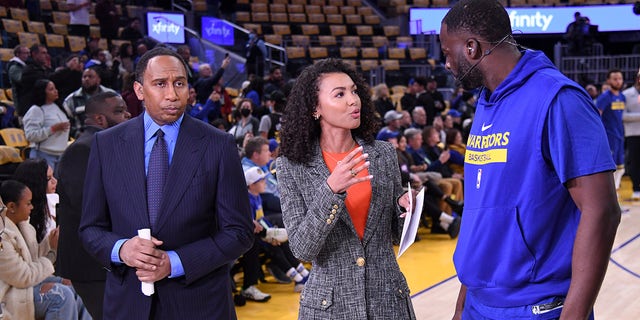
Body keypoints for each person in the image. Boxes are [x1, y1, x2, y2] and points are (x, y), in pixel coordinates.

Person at [439, 0, 621, 319]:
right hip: (479, 304)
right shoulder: (486, 101)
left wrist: (574, 315)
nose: (445, 63)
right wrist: (462, 306)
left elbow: (602, 210)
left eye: (446, 51)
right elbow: (484, 213)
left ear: (471, 48)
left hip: (535, 307)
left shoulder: (559, 100)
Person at [78, 47, 254, 319]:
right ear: (139, 90)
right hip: (128, 305)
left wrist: (174, 263)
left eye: (179, 83)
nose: (172, 94)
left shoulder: (219, 145)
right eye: (160, 84)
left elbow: (239, 232)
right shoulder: (107, 144)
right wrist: (122, 249)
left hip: (200, 305)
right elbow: (90, 228)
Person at [276, 58, 416, 319]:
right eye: (339, 94)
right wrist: (331, 190)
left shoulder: (383, 154)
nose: (353, 100)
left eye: (353, 91)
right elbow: (302, 248)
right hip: (329, 308)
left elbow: (395, 235)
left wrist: (403, 206)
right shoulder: (291, 166)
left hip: (387, 301)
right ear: (315, 107)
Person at [56, 92, 130, 319]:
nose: (127, 115)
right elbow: (87, 206)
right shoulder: (84, 149)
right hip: (89, 264)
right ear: (99, 119)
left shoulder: (105, 146)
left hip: (105, 258)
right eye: (118, 111)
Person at [0, 180, 92, 320]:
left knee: (75, 286)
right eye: (28, 203)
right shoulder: (3, 237)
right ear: (11, 207)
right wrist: (52, 252)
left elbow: (34, 261)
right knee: (61, 296)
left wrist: (50, 242)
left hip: (26, 285)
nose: (32, 207)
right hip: (10, 295)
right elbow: (23, 277)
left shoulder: (25, 227)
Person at [22, 79, 70, 171]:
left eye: (55, 88)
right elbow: (30, 135)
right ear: (42, 92)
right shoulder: (36, 110)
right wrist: (52, 129)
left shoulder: (58, 107)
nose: (56, 91)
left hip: (61, 154)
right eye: (51, 89)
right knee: (44, 184)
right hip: (43, 154)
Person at [12, 158, 58, 244]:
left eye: (53, 176)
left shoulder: (54, 199)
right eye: (48, 178)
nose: (55, 181)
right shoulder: (21, 215)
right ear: (36, 182)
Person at [596, 69, 626, 192]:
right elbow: (597, 116)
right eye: (615, 79)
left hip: (620, 136)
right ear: (608, 80)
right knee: (611, 169)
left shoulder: (622, 96)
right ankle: (610, 199)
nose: (618, 81)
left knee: (621, 168)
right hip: (609, 136)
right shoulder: (604, 97)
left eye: (620, 78)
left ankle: (617, 198)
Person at [622, 68, 640, 200]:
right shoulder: (626, 94)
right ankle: (636, 188)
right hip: (633, 133)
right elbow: (622, 116)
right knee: (634, 162)